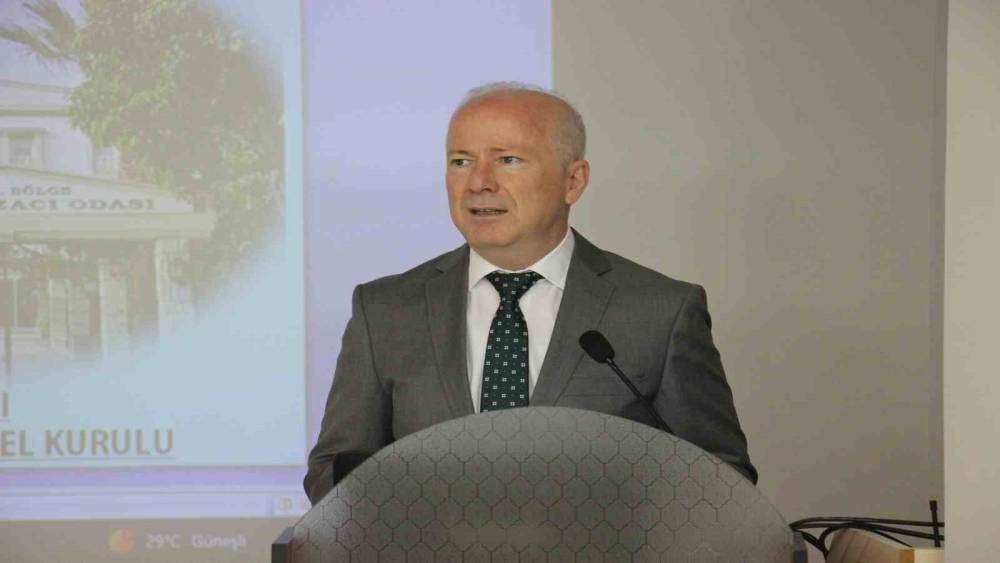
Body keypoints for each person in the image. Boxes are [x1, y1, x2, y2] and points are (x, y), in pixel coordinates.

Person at [304, 82, 755, 504]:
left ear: (573, 181)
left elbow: (723, 479)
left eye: (508, 160)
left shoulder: (660, 311)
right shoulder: (385, 310)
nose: (479, 182)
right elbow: (331, 472)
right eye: (461, 161)